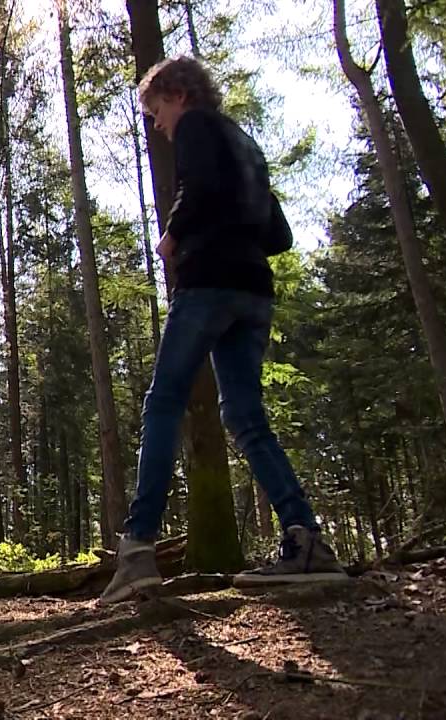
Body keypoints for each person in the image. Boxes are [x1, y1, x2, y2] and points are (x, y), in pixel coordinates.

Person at [100, 56, 346, 606]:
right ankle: (305, 539)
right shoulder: (246, 144)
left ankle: (138, 550)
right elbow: (279, 233)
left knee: (163, 401)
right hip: (254, 291)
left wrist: (173, 234)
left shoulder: (196, 126)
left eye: (157, 110)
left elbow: (201, 187)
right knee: (246, 417)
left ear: (178, 94)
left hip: (208, 283)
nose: (158, 124)